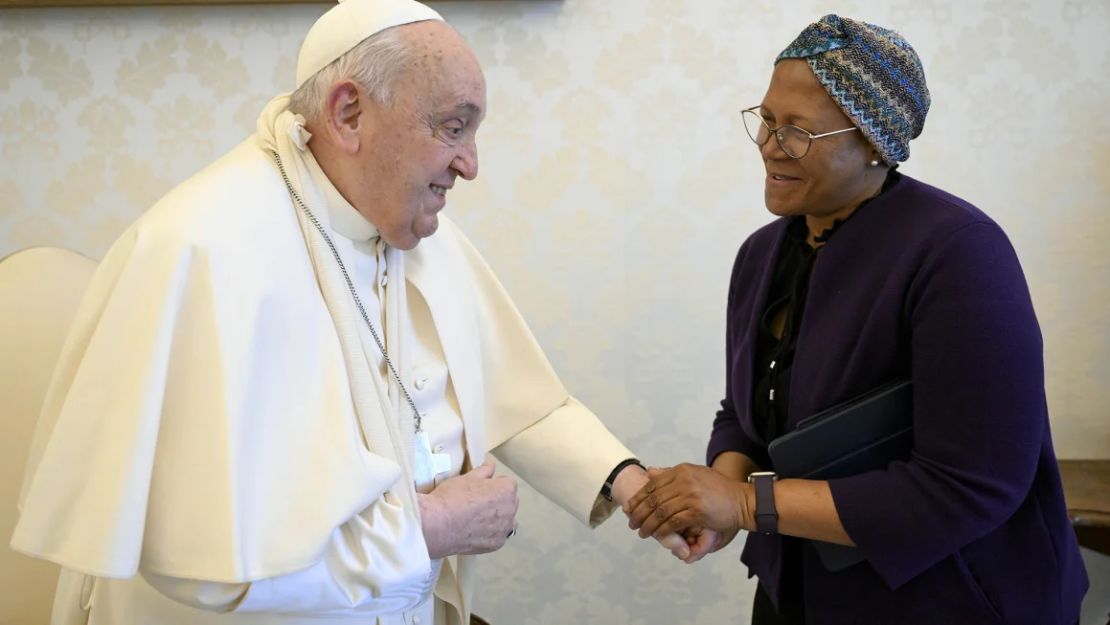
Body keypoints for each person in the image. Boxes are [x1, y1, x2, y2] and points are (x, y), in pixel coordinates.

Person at [10, 1, 684, 623]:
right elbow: (208, 561)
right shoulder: (204, 248)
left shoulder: (412, 227)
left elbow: (519, 393)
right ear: (348, 114)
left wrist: (632, 486)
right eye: (453, 128)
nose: (470, 165)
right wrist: (429, 529)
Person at [625, 14, 1088, 625]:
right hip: (797, 592)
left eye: (798, 131)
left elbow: (974, 485)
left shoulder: (960, 253)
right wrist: (715, 506)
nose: (769, 146)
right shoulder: (762, 254)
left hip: (950, 598)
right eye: (765, 120)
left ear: (875, 140)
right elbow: (746, 410)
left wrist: (742, 504)